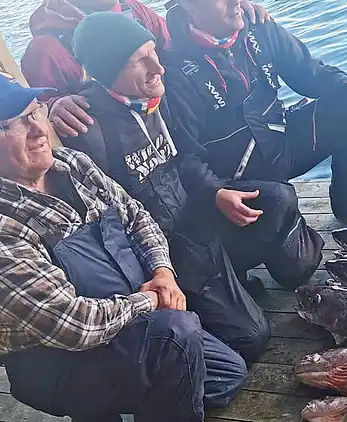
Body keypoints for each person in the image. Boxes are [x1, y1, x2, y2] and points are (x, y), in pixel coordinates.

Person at [58, 12, 323, 360]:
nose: (158, 67)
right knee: (251, 338)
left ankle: (234, 279)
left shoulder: (158, 97)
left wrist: (216, 192)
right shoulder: (88, 128)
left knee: (277, 198)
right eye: (140, 60)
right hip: (164, 254)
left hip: (198, 223)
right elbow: (106, 226)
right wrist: (158, 275)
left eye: (153, 52)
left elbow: (189, 157)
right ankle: (204, 309)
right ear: (109, 71)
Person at [0, 72, 247, 421]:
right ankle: (99, 403)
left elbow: (137, 217)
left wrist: (163, 273)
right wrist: (150, 300)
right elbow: (74, 325)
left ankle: (124, 397)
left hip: (131, 321)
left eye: (36, 111)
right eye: (15, 124)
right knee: (177, 336)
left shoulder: (72, 164)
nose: (39, 129)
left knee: (227, 373)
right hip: (56, 358)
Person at [161, 0, 347, 221]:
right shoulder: (173, 68)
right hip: (237, 178)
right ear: (191, 7)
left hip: (279, 143)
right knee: (298, 251)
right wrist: (215, 191)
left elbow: (312, 74)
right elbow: (186, 156)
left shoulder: (260, 28)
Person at [20, 0, 269, 140]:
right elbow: (36, 124)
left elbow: (181, 52)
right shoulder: (45, 50)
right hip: (127, 165)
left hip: (183, 134)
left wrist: (231, 19)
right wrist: (54, 107)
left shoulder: (135, 9)